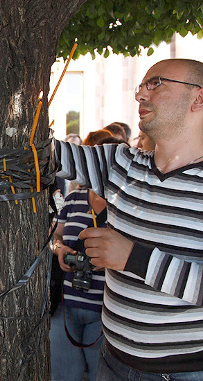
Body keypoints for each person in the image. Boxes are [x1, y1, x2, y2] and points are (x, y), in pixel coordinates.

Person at [55, 58, 203, 379]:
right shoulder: (121, 162)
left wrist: (131, 257)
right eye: (140, 86)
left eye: (156, 83)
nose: (140, 95)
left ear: (198, 98)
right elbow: (44, 154)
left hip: (185, 370)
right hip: (114, 359)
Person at [50, 131, 110, 381]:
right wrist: (59, 249)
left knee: (102, 374)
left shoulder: (129, 205)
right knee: (65, 376)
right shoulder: (73, 198)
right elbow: (55, 237)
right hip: (65, 304)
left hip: (106, 310)